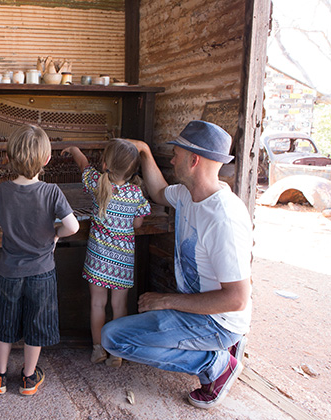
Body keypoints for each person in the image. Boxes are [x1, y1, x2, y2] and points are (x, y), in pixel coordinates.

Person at [100, 120, 253, 409]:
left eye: (176, 155)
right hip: (197, 310)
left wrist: (166, 301)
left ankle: (217, 363)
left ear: (194, 160)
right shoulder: (187, 194)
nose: (171, 159)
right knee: (123, 330)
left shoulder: (224, 219)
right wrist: (144, 151)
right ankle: (220, 349)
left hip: (217, 320)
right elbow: (158, 193)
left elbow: (236, 299)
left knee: (114, 339)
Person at [0, 124, 80, 396]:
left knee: (5, 321)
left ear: (9, 158)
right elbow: (73, 227)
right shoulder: (52, 191)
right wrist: (56, 235)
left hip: (9, 271)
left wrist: (4, 221)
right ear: (47, 160)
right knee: (36, 324)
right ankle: (28, 377)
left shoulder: (2, 190)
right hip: (42, 272)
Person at [62, 140, 151, 367]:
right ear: (133, 170)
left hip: (98, 259)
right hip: (122, 261)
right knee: (120, 306)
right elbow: (138, 224)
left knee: (97, 304)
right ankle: (116, 353)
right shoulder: (135, 193)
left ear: (104, 164)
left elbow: (83, 164)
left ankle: (98, 349)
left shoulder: (97, 184)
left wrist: (74, 149)